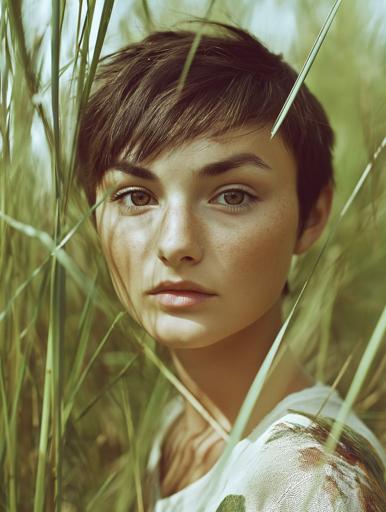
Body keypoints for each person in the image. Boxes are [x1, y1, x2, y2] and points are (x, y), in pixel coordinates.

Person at [76, 21, 386, 511]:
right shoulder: (176, 428)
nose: (176, 243)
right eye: (136, 197)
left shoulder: (308, 477)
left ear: (312, 217)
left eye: (232, 196)